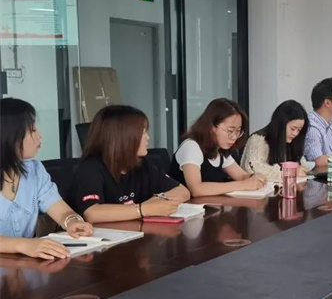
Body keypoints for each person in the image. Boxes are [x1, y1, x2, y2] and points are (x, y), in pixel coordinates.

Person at [0, 98, 93, 259]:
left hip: (23, 266)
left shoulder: (34, 170)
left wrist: (72, 221)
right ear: (10, 136)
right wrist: (22, 245)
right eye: (32, 130)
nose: (39, 135)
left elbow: (60, 210)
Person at [68, 105, 190, 223]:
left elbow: (183, 191)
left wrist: (158, 199)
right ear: (123, 138)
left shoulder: (141, 164)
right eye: (143, 133)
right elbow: (92, 213)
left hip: (136, 231)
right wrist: (143, 209)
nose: (147, 137)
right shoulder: (90, 168)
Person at [169, 98, 266, 197]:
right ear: (211, 127)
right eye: (230, 131)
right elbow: (196, 189)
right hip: (182, 206)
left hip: (211, 204)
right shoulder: (191, 147)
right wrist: (243, 185)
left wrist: (254, 178)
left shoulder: (220, 149)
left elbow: (241, 176)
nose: (234, 137)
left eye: (238, 131)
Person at [241, 100, 309, 181]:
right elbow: (252, 168)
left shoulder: (293, 141)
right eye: (293, 129)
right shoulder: (258, 139)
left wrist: (302, 170)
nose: (295, 133)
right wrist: (289, 172)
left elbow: (302, 165)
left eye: (299, 130)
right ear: (281, 124)